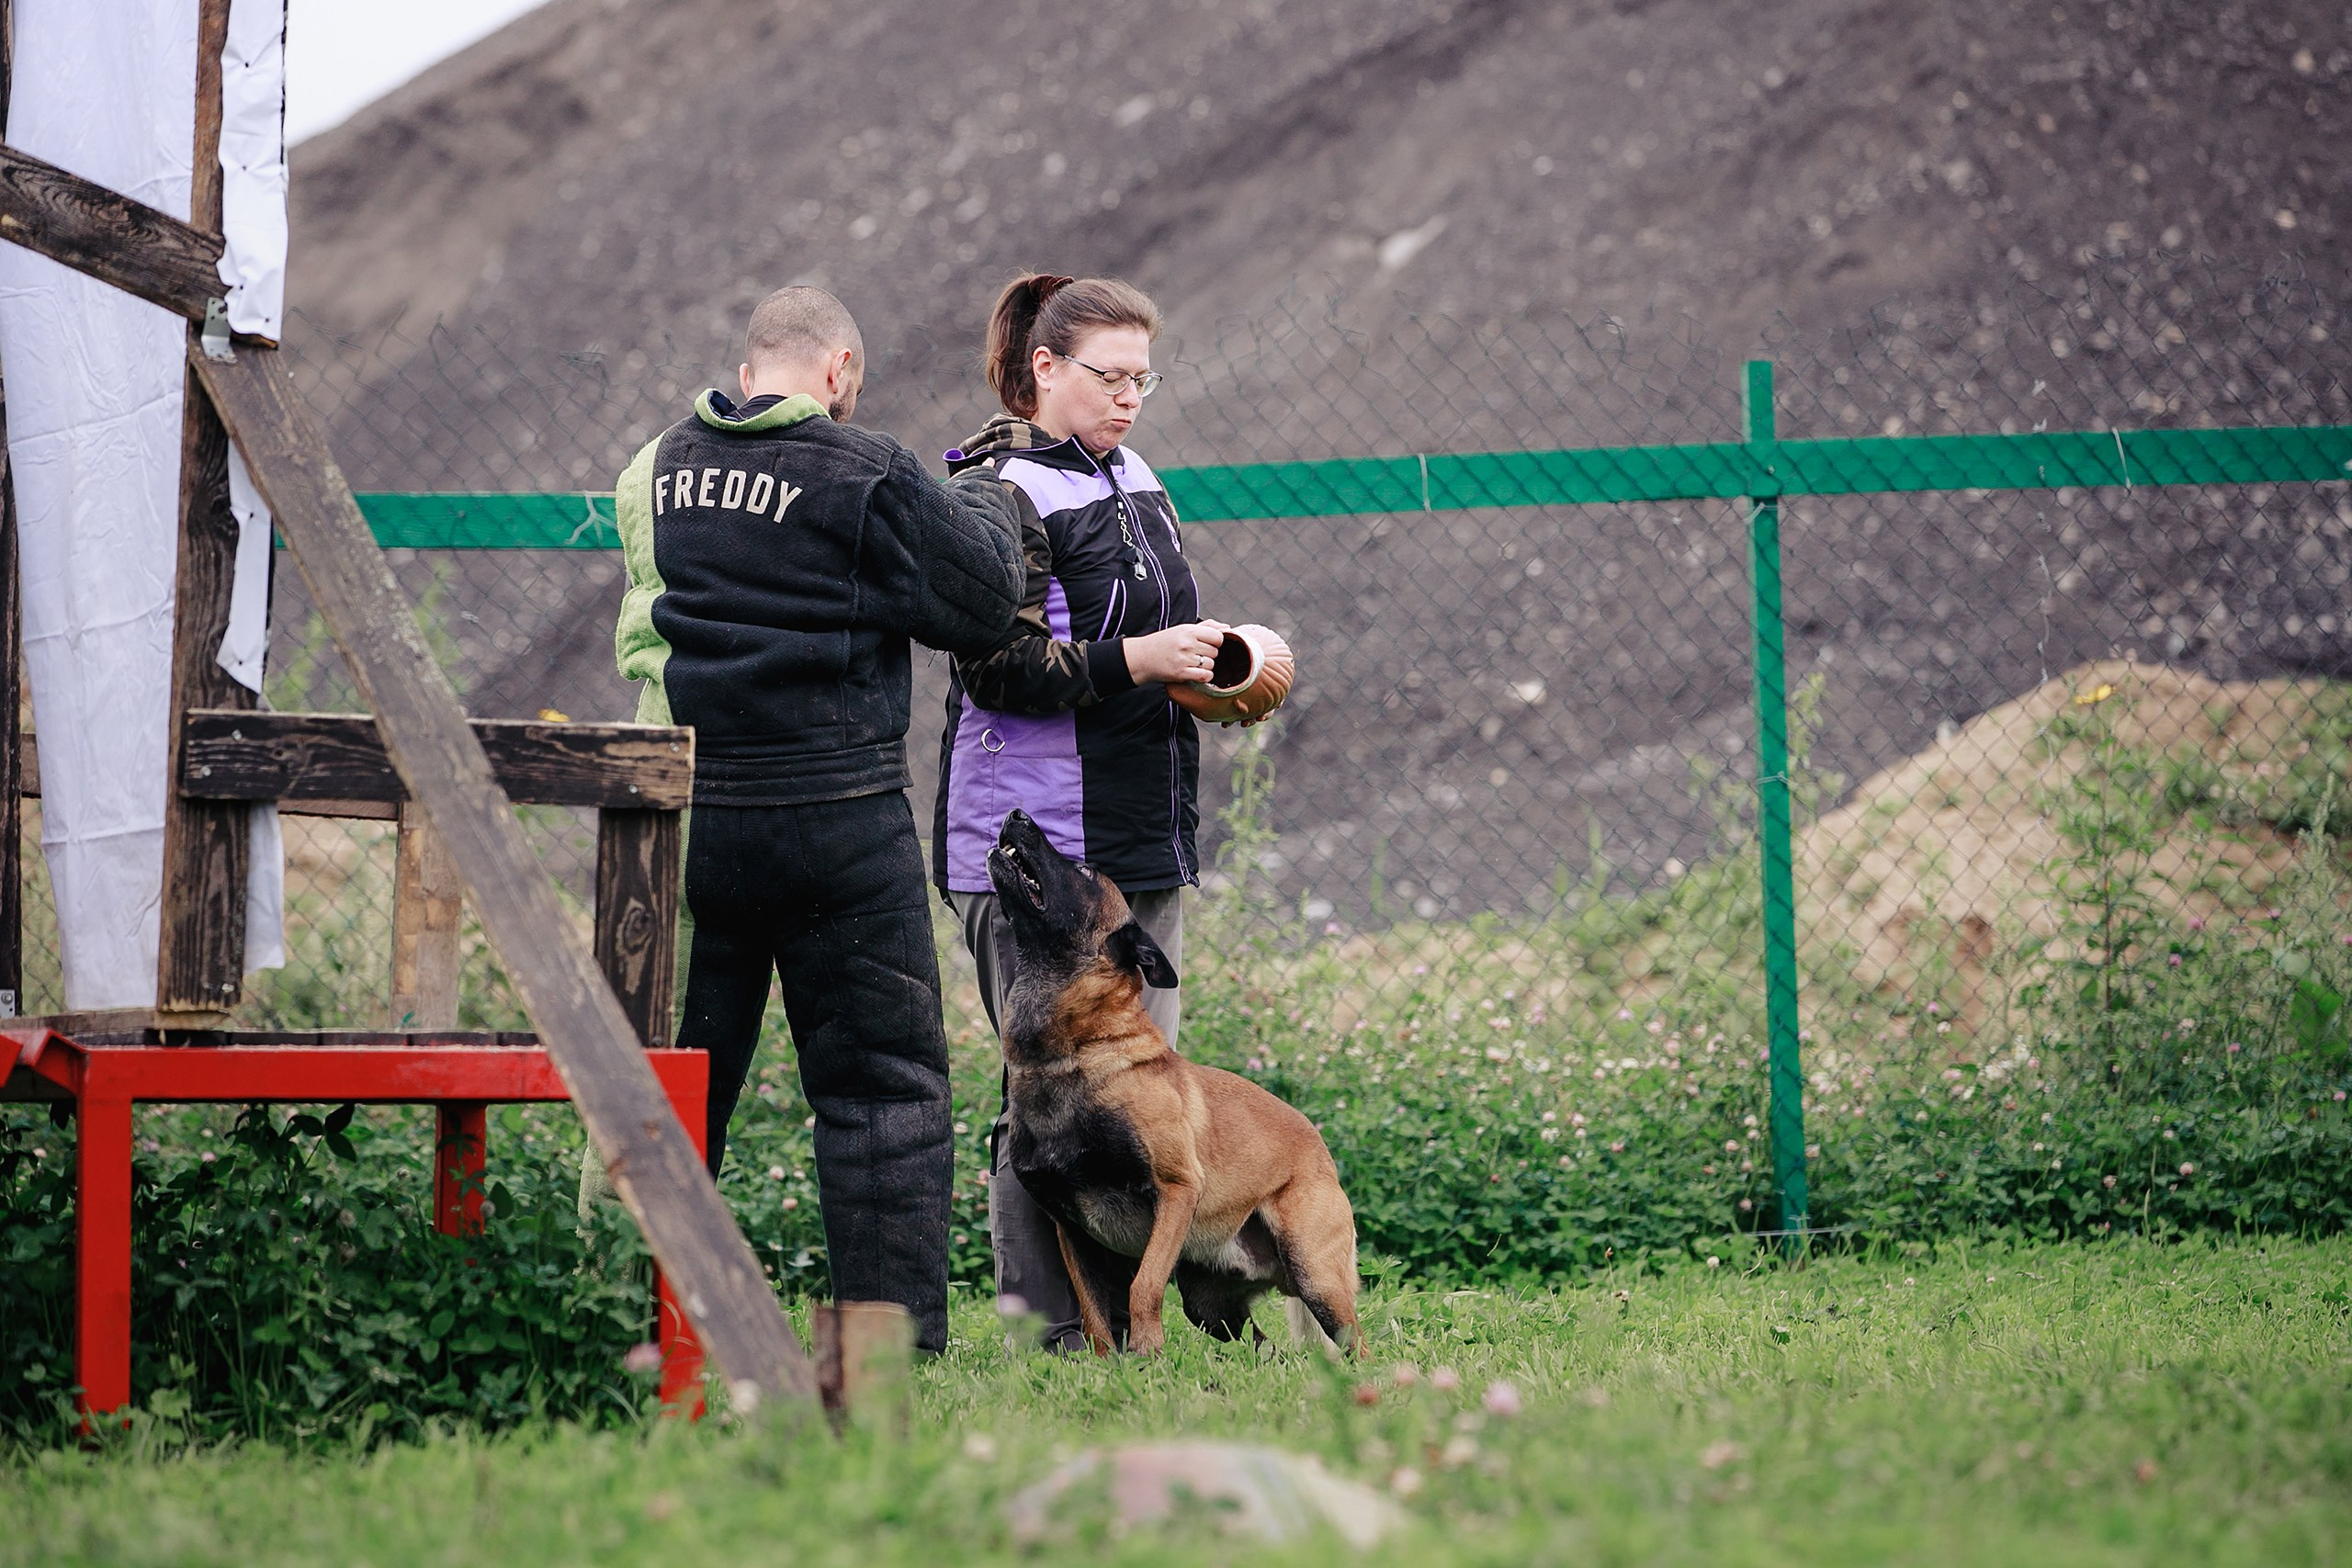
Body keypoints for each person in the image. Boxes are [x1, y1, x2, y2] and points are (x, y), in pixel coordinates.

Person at [605, 285, 1023, 1354]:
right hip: (836, 823)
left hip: (684, 826)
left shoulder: (652, 470)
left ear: (749, 375)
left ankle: (626, 1321)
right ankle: (889, 1346)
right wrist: (983, 496)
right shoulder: (867, 468)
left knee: (669, 1085)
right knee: (880, 1089)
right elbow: (974, 601)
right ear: (839, 373)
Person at [934, 273, 1228, 1350]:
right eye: (1109, 377)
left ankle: (1132, 1325)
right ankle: (1047, 1333)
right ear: (1044, 369)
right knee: (1050, 1103)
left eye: (1142, 379)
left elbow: (1159, 637)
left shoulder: (1135, 474)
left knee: (1139, 1096)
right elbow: (997, 665)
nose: (1129, 398)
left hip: (1140, 827)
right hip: (1038, 851)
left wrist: (1211, 675)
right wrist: (1136, 659)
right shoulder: (990, 492)